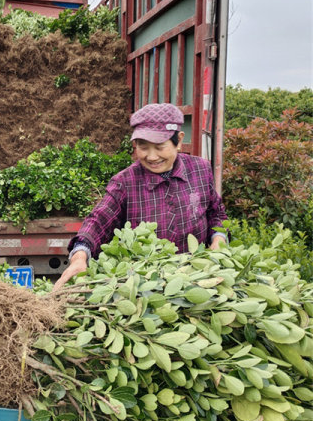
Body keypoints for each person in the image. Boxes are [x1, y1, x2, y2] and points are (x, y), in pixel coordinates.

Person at [54, 103, 227, 290]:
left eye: (160, 147)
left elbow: (216, 213)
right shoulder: (125, 182)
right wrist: (80, 255)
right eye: (143, 147)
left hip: (197, 280)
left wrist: (218, 238)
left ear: (179, 140)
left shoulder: (200, 170)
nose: (151, 157)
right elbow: (98, 221)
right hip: (144, 287)